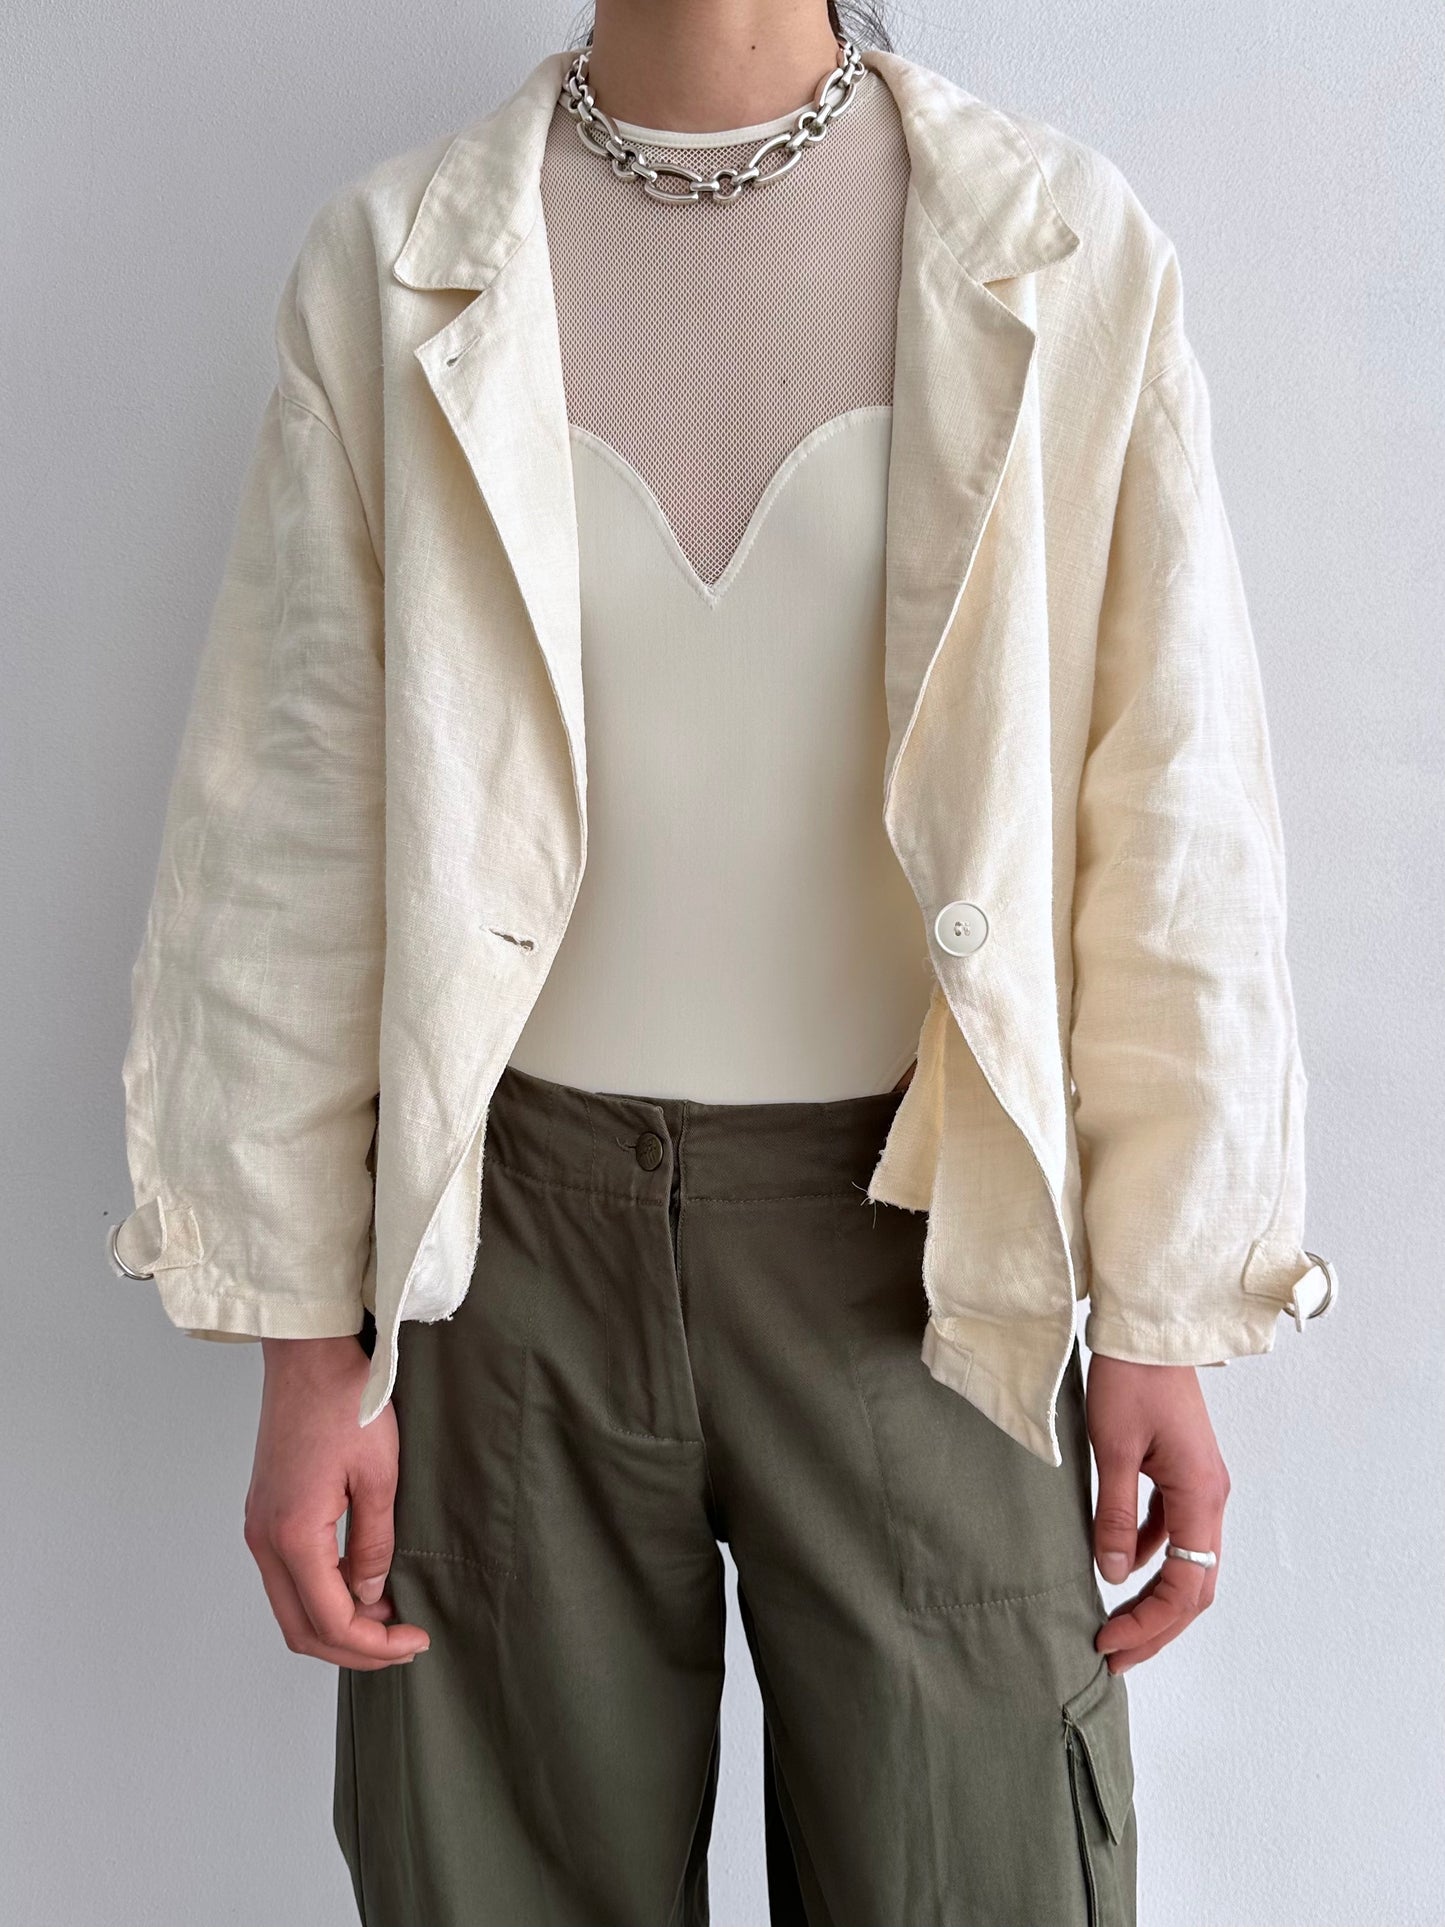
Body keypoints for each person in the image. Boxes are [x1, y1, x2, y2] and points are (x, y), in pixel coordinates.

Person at [107, 2, 1338, 1922]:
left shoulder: (1060, 246)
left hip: (933, 1256)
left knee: (981, 1877)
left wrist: (1168, 1308)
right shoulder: (392, 261)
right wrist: (300, 1342)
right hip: (504, 1262)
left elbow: (1167, 798)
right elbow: (288, 826)